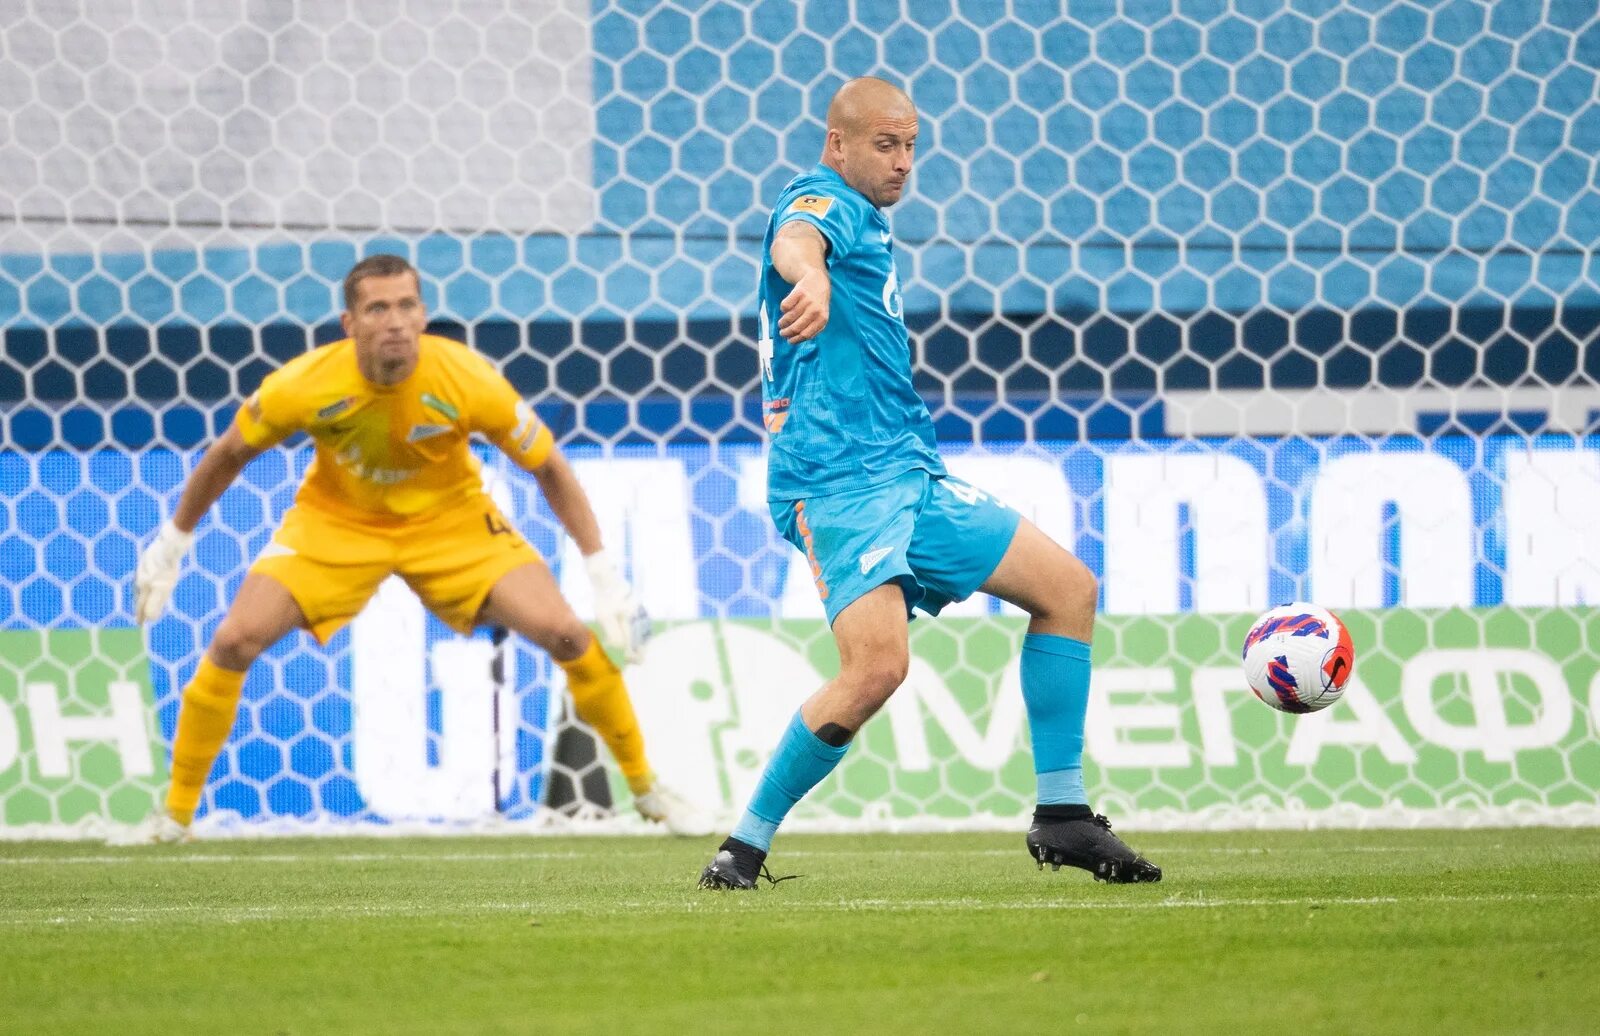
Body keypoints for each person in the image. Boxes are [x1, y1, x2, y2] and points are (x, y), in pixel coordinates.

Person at [698, 78, 1161, 888]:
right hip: (838, 483)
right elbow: (797, 236)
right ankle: (742, 849)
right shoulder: (821, 201)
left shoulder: (869, 218)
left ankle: (1063, 815)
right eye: (886, 144)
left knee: (1068, 590)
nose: (904, 162)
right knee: (876, 669)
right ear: (836, 144)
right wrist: (807, 276)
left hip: (909, 473)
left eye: (912, 145)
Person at [129, 254, 706, 839]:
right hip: (337, 522)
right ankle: (175, 815)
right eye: (378, 308)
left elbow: (550, 467)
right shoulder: (303, 385)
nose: (396, 321)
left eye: (407, 305)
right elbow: (228, 455)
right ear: (349, 323)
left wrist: (605, 577)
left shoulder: (466, 377)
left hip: (452, 523)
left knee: (568, 635)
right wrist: (171, 546)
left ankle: (648, 791)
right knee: (233, 640)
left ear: (424, 314)